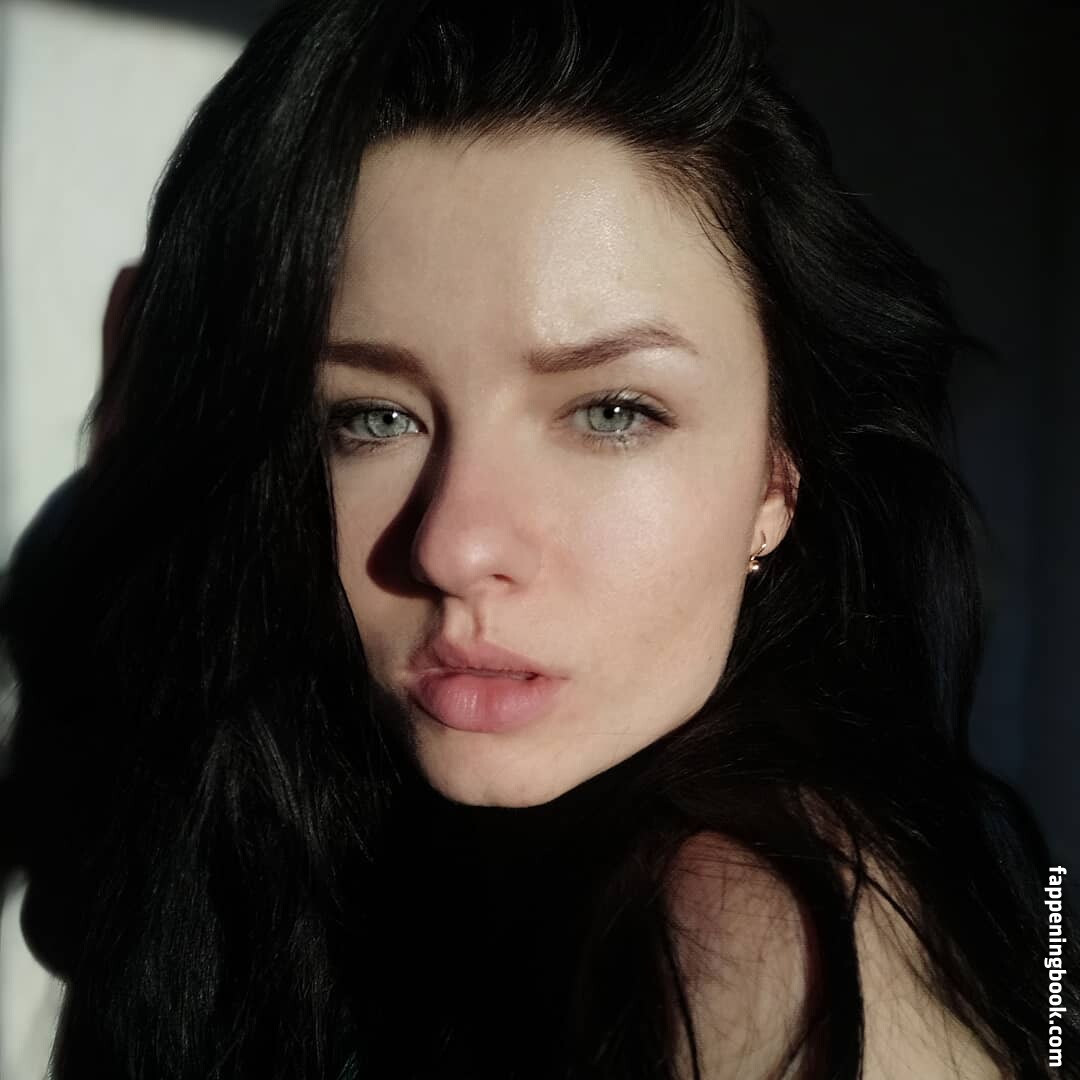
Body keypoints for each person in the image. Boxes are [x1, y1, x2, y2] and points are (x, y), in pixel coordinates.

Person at [1, 0, 1075, 1077]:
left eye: (612, 411)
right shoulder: (314, 795)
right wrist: (131, 465)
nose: (455, 548)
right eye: (371, 418)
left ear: (777, 476)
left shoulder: (755, 930)